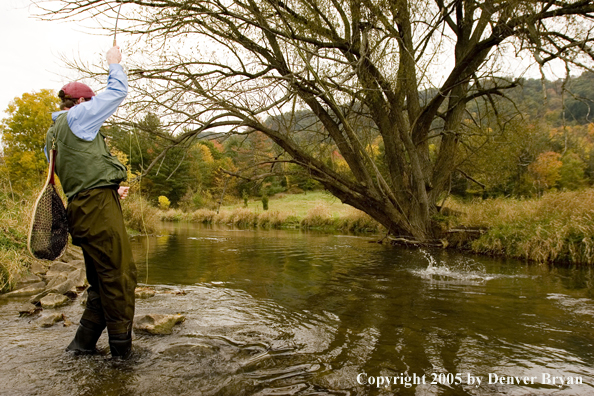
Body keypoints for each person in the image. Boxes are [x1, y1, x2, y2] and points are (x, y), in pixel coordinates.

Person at [44, 45, 137, 359]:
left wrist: (109, 188)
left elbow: (73, 173)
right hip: (97, 209)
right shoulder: (80, 115)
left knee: (100, 281)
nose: (96, 110)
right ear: (82, 102)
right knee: (120, 277)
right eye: (91, 104)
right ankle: (122, 357)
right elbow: (117, 90)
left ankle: (81, 346)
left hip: (81, 209)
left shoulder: (52, 133)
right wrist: (114, 63)